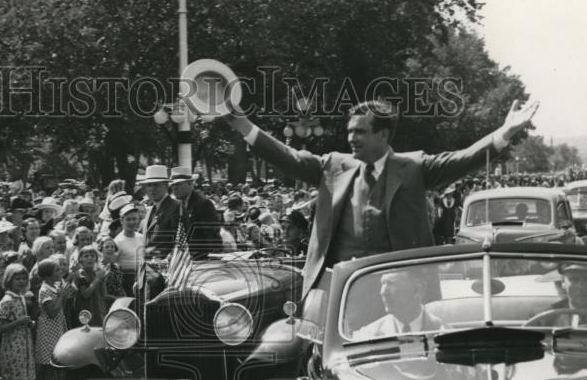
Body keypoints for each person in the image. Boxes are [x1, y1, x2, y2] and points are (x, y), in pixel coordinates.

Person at [226, 98, 539, 297]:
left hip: (403, 294)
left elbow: (464, 158)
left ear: (384, 135)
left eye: (360, 131)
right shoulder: (332, 165)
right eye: (350, 131)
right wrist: (243, 125)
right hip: (341, 292)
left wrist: (505, 133)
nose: (351, 138)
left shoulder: (414, 167)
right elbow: (288, 157)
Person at [352, 269, 446, 339]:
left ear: (418, 290)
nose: (383, 292)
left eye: (390, 283)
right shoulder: (367, 335)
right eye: (382, 284)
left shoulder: (443, 332)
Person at [0, 263, 37, 380]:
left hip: (23, 345)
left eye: (24, 278)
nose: (22, 281)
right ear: (9, 280)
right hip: (12, 346)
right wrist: (19, 322)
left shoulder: (21, 297)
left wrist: (29, 323)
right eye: (17, 279)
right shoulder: (7, 300)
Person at [167, 168, 221, 259]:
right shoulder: (177, 204)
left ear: (190, 184)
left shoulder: (203, 203)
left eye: (178, 184)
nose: (174, 188)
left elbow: (212, 235)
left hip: (200, 259)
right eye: (173, 185)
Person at [137, 164, 180, 258]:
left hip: (165, 266)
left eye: (156, 185)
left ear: (166, 186)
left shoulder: (175, 207)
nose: (152, 189)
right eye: (149, 185)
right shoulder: (151, 209)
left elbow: (179, 242)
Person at [114, 203, 145, 295]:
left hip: (142, 278)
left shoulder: (142, 237)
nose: (132, 222)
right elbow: (112, 268)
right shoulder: (117, 241)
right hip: (127, 283)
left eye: (134, 219)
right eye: (128, 219)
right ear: (121, 221)